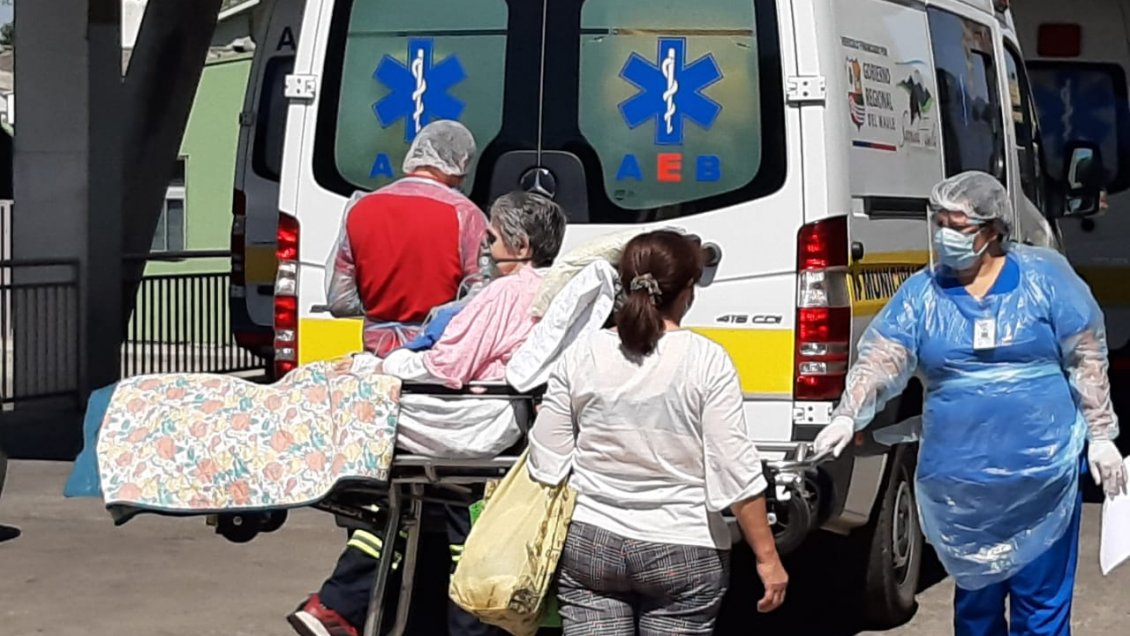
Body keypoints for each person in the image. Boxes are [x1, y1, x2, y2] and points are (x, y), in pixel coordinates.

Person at [813, 171, 1128, 636]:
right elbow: (883, 355)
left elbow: (1086, 355)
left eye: (957, 225)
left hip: (1040, 477)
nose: (945, 235)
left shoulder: (1044, 279)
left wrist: (1102, 436)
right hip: (963, 485)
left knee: (1041, 610)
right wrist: (847, 414)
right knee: (976, 612)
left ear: (993, 230)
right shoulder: (925, 293)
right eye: (939, 221)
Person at [289, 192, 568, 636]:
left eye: (491, 238)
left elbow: (447, 366)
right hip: (491, 417)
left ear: (519, 246)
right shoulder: (549, 292)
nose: (484, 248)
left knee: (352, 412)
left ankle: (340, 601)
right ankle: (339, 604)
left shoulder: (503, 294)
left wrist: (383, 365)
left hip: (463, 418)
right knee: (436, 515)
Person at [526, 230, 789, 636]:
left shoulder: (582, 354)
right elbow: (735, 473)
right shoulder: (708, 361)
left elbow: (546, 459)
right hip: (685, 548)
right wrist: (768, 558)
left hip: (591, 544)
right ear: (689, 291)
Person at [325, 120, 488, 356]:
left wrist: (381, 308)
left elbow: (339, 302)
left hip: (376, 357)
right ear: (461, 163)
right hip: (434, 357)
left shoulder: (360, 208)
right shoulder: (466, 216)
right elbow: (481, 295)